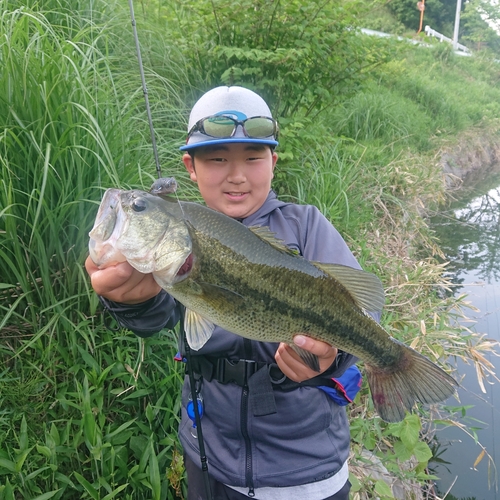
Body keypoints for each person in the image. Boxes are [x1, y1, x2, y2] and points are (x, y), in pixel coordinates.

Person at [85, 86, 373, 500]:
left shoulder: (306, 226)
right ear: (190, 166)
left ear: (273, 162)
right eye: (217, 159)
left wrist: (331, 359)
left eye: (253, 158)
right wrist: (129, 299)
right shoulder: (181, 240)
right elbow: (157, 317)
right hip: (209, 455)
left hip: (303, 470)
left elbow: (359, 315)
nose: (236, 175)